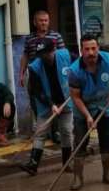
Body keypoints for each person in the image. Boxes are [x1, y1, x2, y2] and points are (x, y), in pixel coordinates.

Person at [67, 34, 109, 191]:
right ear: (81, 51)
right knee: (80, 143)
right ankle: (77, 178)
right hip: (82, 111)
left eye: (94, 48)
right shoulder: (74, 71)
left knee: (106, 142)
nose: (91, 52)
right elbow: (75, 97)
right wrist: (87, 116)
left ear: (98, 48)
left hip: (104, 107)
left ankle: (107, 174)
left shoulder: (107, 60)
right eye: (87, 49)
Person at [19, 38, 73, 175]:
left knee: (66, 131)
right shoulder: (35, 67)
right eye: (41, 54)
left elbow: (79, 68)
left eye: (46, 53)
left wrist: (78, 87)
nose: (43, 57)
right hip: (45, 103)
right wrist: (51, 105)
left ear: (53, 50)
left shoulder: (66, 56)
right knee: (40, 132)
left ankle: (66, 163)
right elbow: (37, 90)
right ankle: (33, 164)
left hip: (66, 99)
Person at [19, 10, 65, 144]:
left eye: (46, 20)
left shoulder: (56, 36)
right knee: (36, 100)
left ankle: (55, 131)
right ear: (35, 22)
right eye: (41, 20)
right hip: (34, 75)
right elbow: (25, 55)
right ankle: (41, 130)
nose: (44, 23)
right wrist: (21, 73)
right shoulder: (29, 38)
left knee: (54, 101)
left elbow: (63, 55)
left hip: (52, 74)